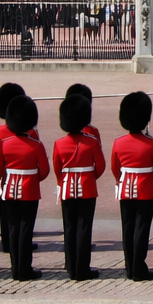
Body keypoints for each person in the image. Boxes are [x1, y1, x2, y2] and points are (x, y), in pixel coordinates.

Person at [112, 92, 153, 281]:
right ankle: (138, 267)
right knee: (142, 229)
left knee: (128, 228)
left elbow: (115, 168)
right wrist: (147, 177)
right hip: (145, 189)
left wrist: (123, 179)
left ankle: (129, 266)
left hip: (125, 188)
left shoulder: (118, 143)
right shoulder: (151, 144)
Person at [53, 94, 105, 281]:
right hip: (87, 187)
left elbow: (57, 169)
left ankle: (70, 266)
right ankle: (82, 268)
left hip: (67, 187)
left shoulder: (59, 143)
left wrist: (63, 182)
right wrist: (89, 177)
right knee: (84, 227)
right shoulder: (91, 142)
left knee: (69, 227)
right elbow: (100, 167)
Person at [0, 96, 48, 281]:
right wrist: (32, 179)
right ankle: (25, 268)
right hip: (29, 190)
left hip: (10, 189)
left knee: (13, 228)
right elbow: (44, 171)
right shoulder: (36, 145)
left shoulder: (4, 144)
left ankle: (15, 267)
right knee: (26, 229)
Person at [0, 81, 29, 255]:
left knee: (5, 210)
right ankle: (21, 244)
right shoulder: (30, 131)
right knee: (24, 216)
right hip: (24, 177)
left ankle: (7, 242)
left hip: (4, 176)